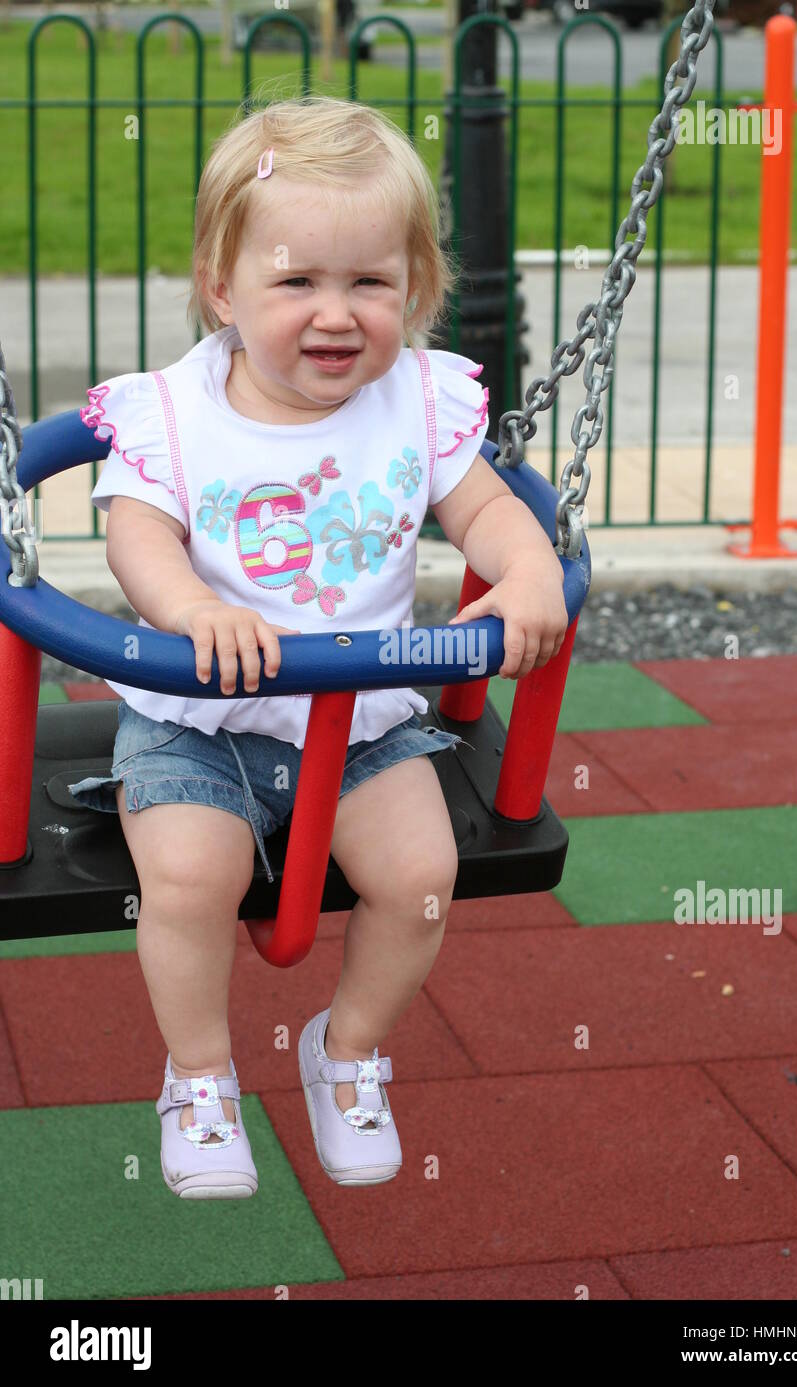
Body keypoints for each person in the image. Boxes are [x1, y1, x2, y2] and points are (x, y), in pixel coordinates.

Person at [67, 94, 569, 1197]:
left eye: (368, 282)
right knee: (188, 880)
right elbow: (133, 532)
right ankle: (199, 1073)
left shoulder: (416, 402)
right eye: (295, 281)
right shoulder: (172, 414)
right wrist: (192, 609)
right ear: (222, 289)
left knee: (421, 876)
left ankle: (346, 1051)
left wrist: (527, 569)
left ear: (415, 289)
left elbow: (487, 511)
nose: (334, 314)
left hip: (365, 724)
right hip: (202, 721)